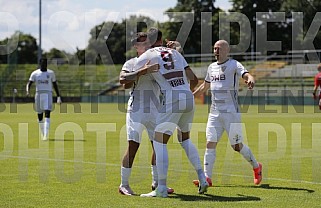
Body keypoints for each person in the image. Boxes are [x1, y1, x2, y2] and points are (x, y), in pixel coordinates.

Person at [137, 28, 209, 198]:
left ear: (148, 41)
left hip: (172, 97)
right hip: (187, 97)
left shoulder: (148, 54)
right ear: (162, 39)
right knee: (185, 139)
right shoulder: (175, 53)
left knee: (159, 141)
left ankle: (161, 187)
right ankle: (202, 177)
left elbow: (131, 73)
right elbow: (194, 80)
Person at [192, 40, 262, 187]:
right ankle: (207, 178)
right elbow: (205, 86)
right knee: (210, 143)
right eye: (214, 48)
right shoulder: (211, 67)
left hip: (231, 112)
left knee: (236, 146)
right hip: (214, 113)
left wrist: (250, 80)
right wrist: (191, 96)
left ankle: (256, 166)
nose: (216, 51)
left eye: (219, 48)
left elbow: (246, 75)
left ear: (227, 50)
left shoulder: (234, 64)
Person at [118, 32, 174, 196]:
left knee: (158, 146)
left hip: (155, 110)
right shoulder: (132, 62)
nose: (146, 46)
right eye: (142, 43)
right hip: (136, 110)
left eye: (147, 43)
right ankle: (124, 185)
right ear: (135, 46)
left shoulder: (159, 60)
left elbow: (173, 72)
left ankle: (157, 183)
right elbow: (123, 81)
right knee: (133, 146)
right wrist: (143, 71)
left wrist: (171, 51)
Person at [26, 58, 61, 141]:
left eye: (45, 63)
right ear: (40, 64)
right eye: (42, 63)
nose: (44, 65)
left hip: (48, 94)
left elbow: (55, 84)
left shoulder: (51, 73)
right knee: (40, 115)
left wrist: (58, 96)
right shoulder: (35, 73)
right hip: (38, 94)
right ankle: (42, 132)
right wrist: (27, 91)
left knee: (48, 113)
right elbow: (29, 83)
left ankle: (46, 134)